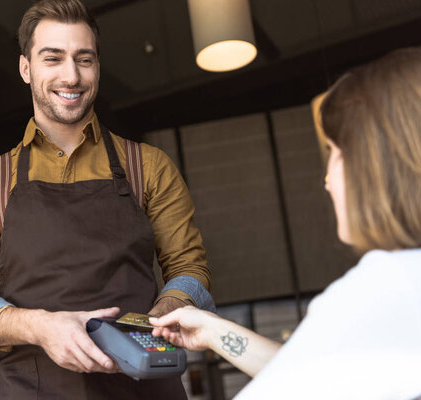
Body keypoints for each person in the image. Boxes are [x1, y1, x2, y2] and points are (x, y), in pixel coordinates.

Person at [0, 0, 214, 398]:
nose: (71, 76)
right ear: (25, 68)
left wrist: (156, 320)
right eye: (53, 58)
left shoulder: (148, 167)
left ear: (98, 68)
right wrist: (40, 327)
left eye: (83, 60)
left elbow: (191, 271)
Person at [151, 47, 421, 399]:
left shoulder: (383, 286)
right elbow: (316, 374)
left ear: (376, 166)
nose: (327, 179)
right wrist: (214, 331)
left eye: (335, 154)